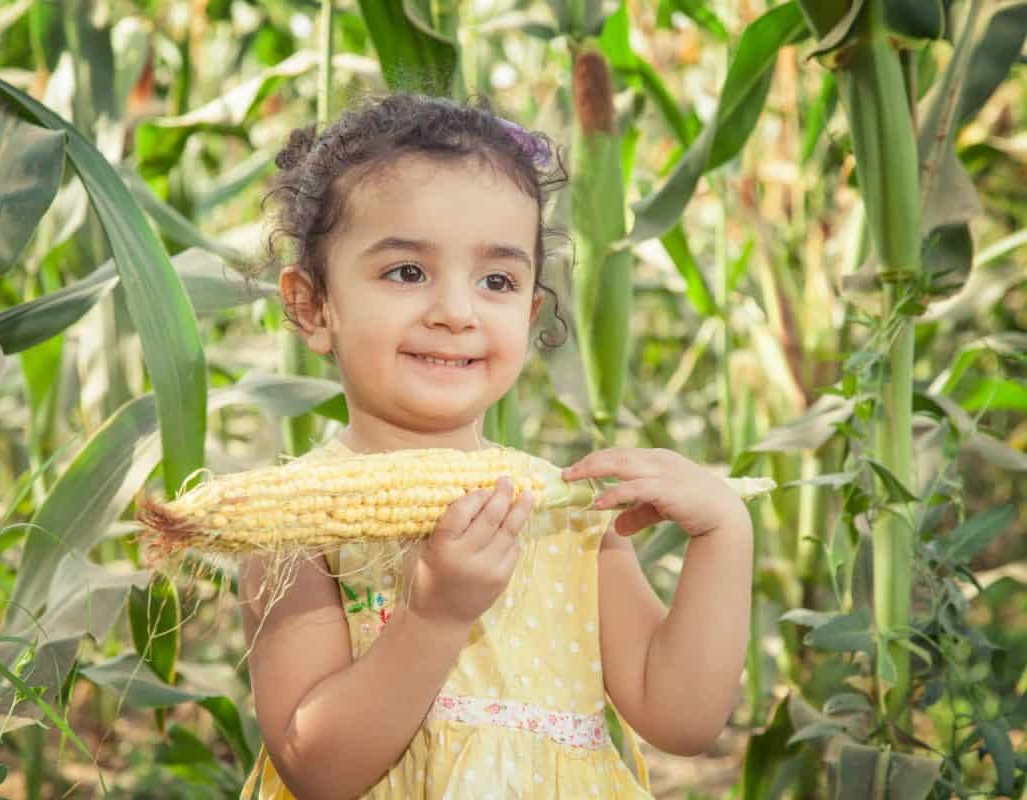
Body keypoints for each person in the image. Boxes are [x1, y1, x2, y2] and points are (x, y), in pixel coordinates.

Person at [236, 93, 754, 799]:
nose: (456, 312)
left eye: (497, 281)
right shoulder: (289, 527)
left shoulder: (564, 514)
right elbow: (317, 770)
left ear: (531, 310)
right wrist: (435, 615)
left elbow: (682, 719)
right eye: (407, 272)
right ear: (311, 305)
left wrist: (724, 532)